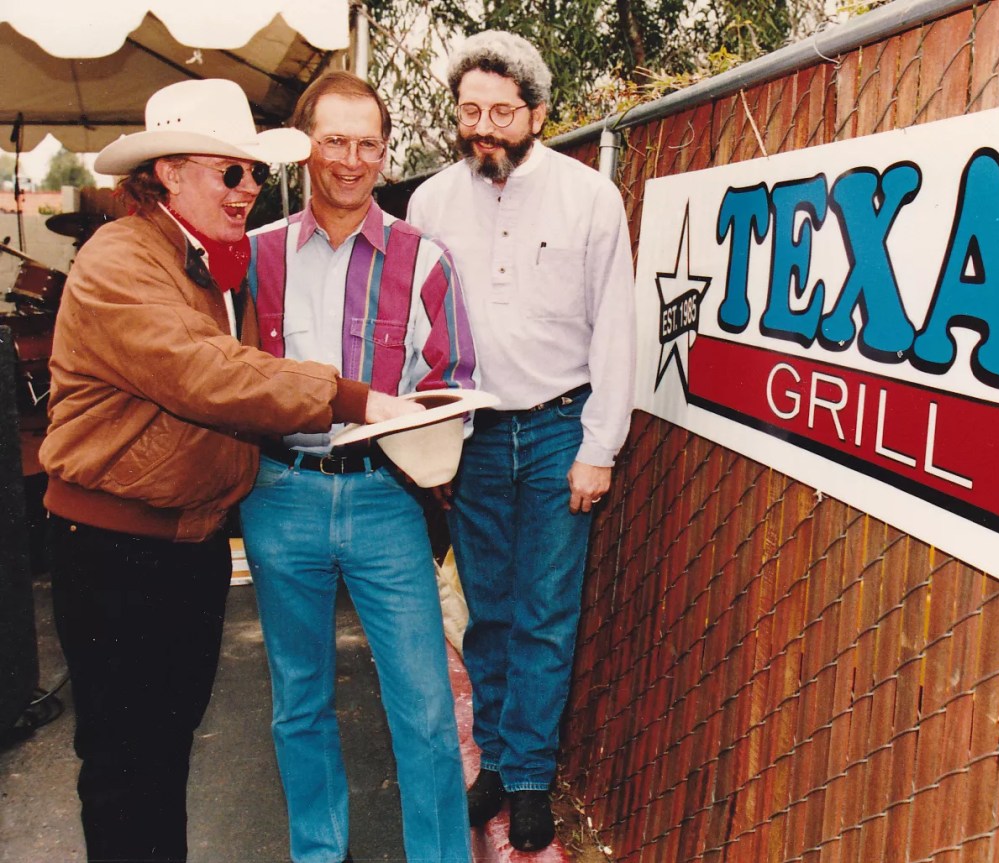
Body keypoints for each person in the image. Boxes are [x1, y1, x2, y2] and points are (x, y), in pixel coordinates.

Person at [39, 78, 421, 863]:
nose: (249, 190)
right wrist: (358, 400)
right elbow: (210, 375)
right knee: (124, 765)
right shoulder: (123, 259)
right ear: (169, 173)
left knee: (163, 751)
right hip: (116, 551)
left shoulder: (203, 262)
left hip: (187, 546)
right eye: (231, 172)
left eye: (252, 174)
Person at [406, 30, 636, 852]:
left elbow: (616, 324)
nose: (485, 128)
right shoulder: (430, 202)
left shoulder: (587, 198)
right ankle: (497, 763)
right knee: (490, 615)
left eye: (502, 111)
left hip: (556, 431)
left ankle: (532, 777)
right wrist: (428, 444)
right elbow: (419, 335)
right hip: (469, 434)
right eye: (472, 111)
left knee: (545, 613)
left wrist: (599, 444)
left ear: (537, 113)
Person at [242, 71, 475, 863]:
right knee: (298, 700)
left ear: (385, 152)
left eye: (366, 143)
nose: (349, 159)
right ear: (304, 145)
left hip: (384, 499)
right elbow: (223, 376)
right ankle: (319, 852)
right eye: (333, 140)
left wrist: (429, 434)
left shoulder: (426, 260)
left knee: (424, 708)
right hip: (280, 498)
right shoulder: (253, 259)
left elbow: (456, 386)